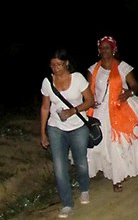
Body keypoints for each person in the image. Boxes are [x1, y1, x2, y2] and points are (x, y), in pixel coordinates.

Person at [87, 36, 138, 192]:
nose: (105, 51)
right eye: (102, 48)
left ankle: (117, 178)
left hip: (121, 108)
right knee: (103, 144)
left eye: (107, 48)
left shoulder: (123, 67)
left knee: (116, 144)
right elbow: (89, 91)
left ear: (114, 49)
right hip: (100, 111)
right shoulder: (92, 69)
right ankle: (110, 172)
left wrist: (129, 93)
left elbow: (135, 85)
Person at [40, 48, 95, 218]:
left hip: (78, 126)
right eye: (53, 64)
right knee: (59, 166)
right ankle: (67, 204)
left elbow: (90, 101)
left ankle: (84, 188)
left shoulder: (77, 78)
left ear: (67, 63)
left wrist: (73, 111)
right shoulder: (47, 82)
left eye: (59, 64)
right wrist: (42, 132)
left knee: (80, 162)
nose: (56, 68)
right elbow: (45, 107)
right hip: (56, 128)